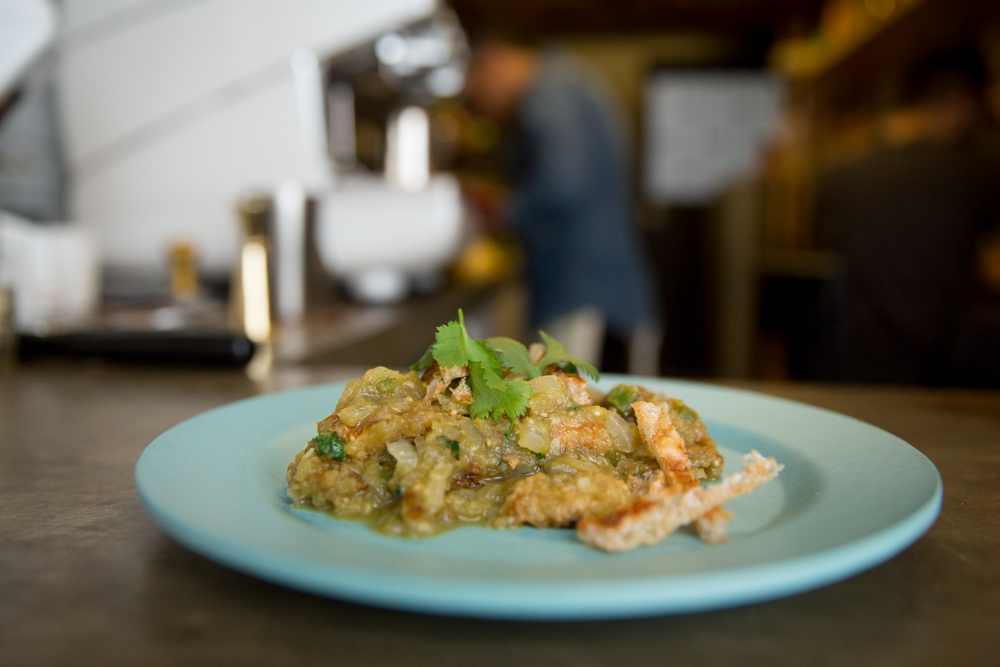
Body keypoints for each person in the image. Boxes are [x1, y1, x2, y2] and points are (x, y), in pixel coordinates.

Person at [465, 38, 660, 374]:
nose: (482, 112)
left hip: (584, 296)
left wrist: (503, 210)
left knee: (574, 412)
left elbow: (564, 185)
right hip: (604, 291)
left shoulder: (549, 97)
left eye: (474, 95)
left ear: (492, 63)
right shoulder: (568, 82)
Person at [817, 45, 1000, 384]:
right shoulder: (976, 168)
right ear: (959, 103)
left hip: (853, 370)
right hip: (944, 381)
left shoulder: (839, 173)